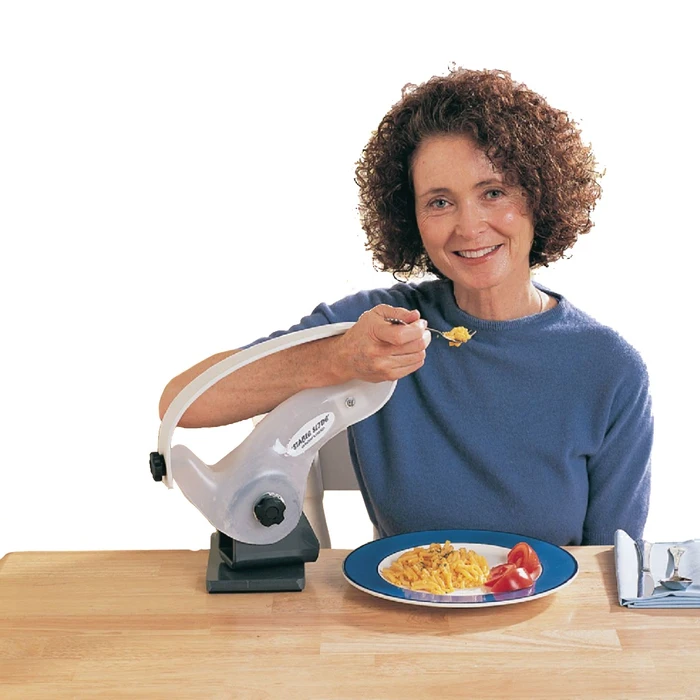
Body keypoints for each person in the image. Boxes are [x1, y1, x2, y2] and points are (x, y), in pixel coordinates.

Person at [159, 68, 652, 546]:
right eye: (440, 202)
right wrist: (336, 358)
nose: (469, 226)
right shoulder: (375, 328)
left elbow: (612, 571)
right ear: (410, 217)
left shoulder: (609, 369)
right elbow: (184, 403)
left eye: (494, 192)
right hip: (400, 616)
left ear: (540, 197)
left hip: (545, 624)